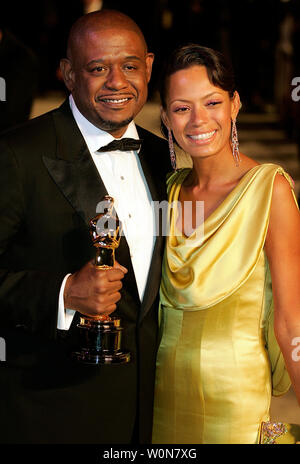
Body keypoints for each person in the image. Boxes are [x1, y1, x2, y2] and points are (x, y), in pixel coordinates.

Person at [0, 10, 170, 444]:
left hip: (149, 418)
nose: (117, 81)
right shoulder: (16, 155)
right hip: (50, 415)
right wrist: (63, 293)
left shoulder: (164, 157)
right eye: (98, 68)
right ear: (68, 74)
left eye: (130, 66)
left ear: (149, 66)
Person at [152, 44, 300, 444]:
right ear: (165, 117)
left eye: (212, 102)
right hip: (161, 400)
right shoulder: (167, 192)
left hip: (236, 403)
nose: (199, 120)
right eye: (182, 108)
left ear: (234, 105)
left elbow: (291, 321)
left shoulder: (271, 189)